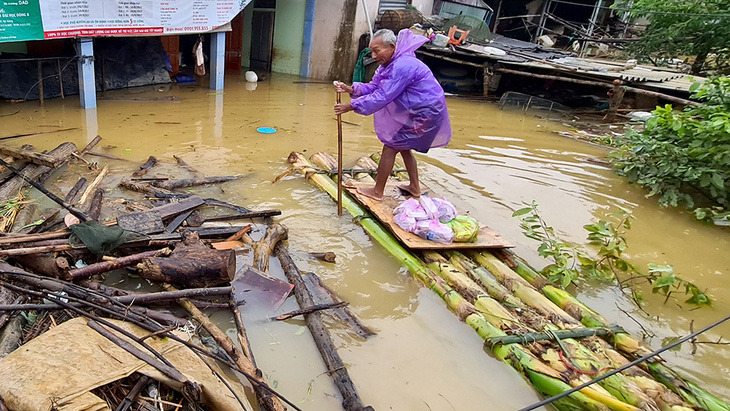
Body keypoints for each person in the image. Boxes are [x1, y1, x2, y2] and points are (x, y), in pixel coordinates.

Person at [334, 28, 451, 200]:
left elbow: (383, 96)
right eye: (371, 52)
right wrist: (351, 89)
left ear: (391, 47)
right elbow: (374, 86)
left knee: (391, 146)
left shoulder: (403, 65)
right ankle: (414, 187)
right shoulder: (387, 65)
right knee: (403, 148)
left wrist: (350, 106)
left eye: (376, 51)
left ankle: (377, 192)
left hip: (426, 112)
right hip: (419, 111)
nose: (373, 56)